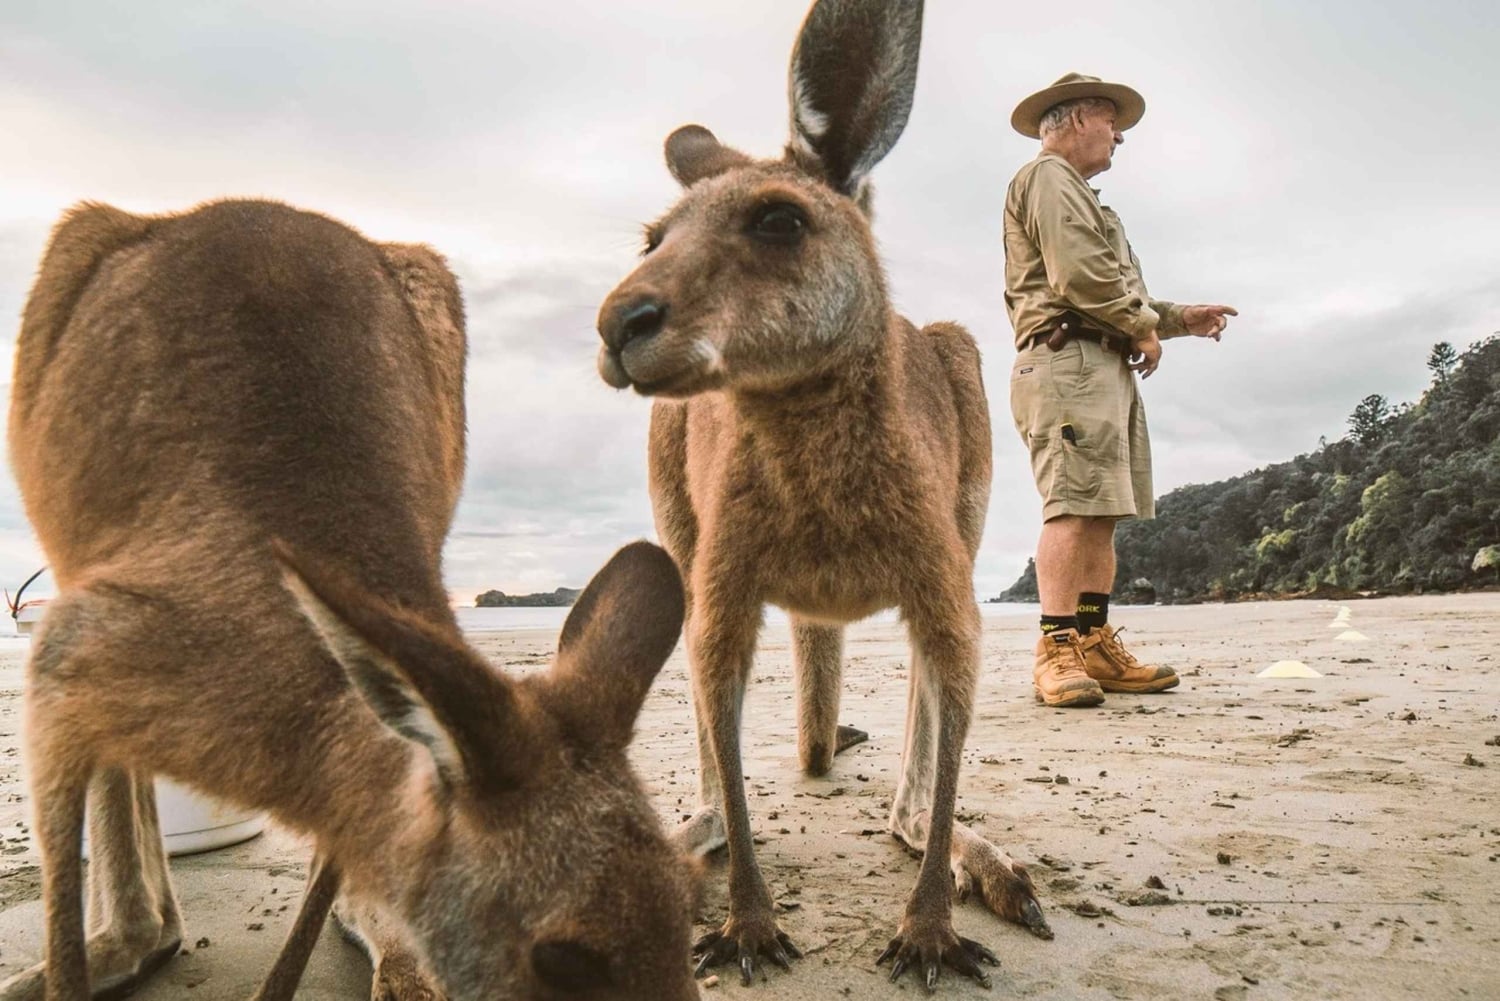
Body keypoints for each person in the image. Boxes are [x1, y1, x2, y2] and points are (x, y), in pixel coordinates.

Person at [1003, 72, 1237, 708]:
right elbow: (1078, 276)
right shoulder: (1047, 177)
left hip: (1098, 362)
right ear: (1076, 120)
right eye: (1112, 122)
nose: (1121, 136)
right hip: (1066, 358)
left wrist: (1178, 319)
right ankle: (1056, 649)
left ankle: (1093, 638)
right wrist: (1140, 325)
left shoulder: (1083, 195)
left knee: (1103, 511)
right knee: (1073, 505)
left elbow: (1114, 289)